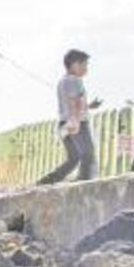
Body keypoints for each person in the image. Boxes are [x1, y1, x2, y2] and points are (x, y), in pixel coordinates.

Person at [38, 49, 101, 185]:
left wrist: (89, 106)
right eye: (84, 64)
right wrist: (76, 121)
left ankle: (47, 181)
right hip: (76, 123)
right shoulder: (74, 80)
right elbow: (75, 102)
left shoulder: (63, 81)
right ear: (74, 64)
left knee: (74, 158)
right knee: (88, 154)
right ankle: (84, 183)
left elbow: (72, 103)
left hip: (64, 123)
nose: (86, 68)